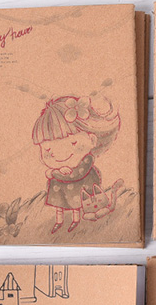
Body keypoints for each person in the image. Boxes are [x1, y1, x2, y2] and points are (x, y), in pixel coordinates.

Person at [31, 95, 122, 233]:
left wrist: (54, 172)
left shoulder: (87, 160)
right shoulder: (59, 170)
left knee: (75, 206)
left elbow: (76, 175)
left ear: (92, 140)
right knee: (59, 206)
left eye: (73, 143)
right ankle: (59, 221)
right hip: (60, 188)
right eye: (48, 149)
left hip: (78, 188)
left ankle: (76, 220)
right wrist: (54, 172)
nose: (60, 154)